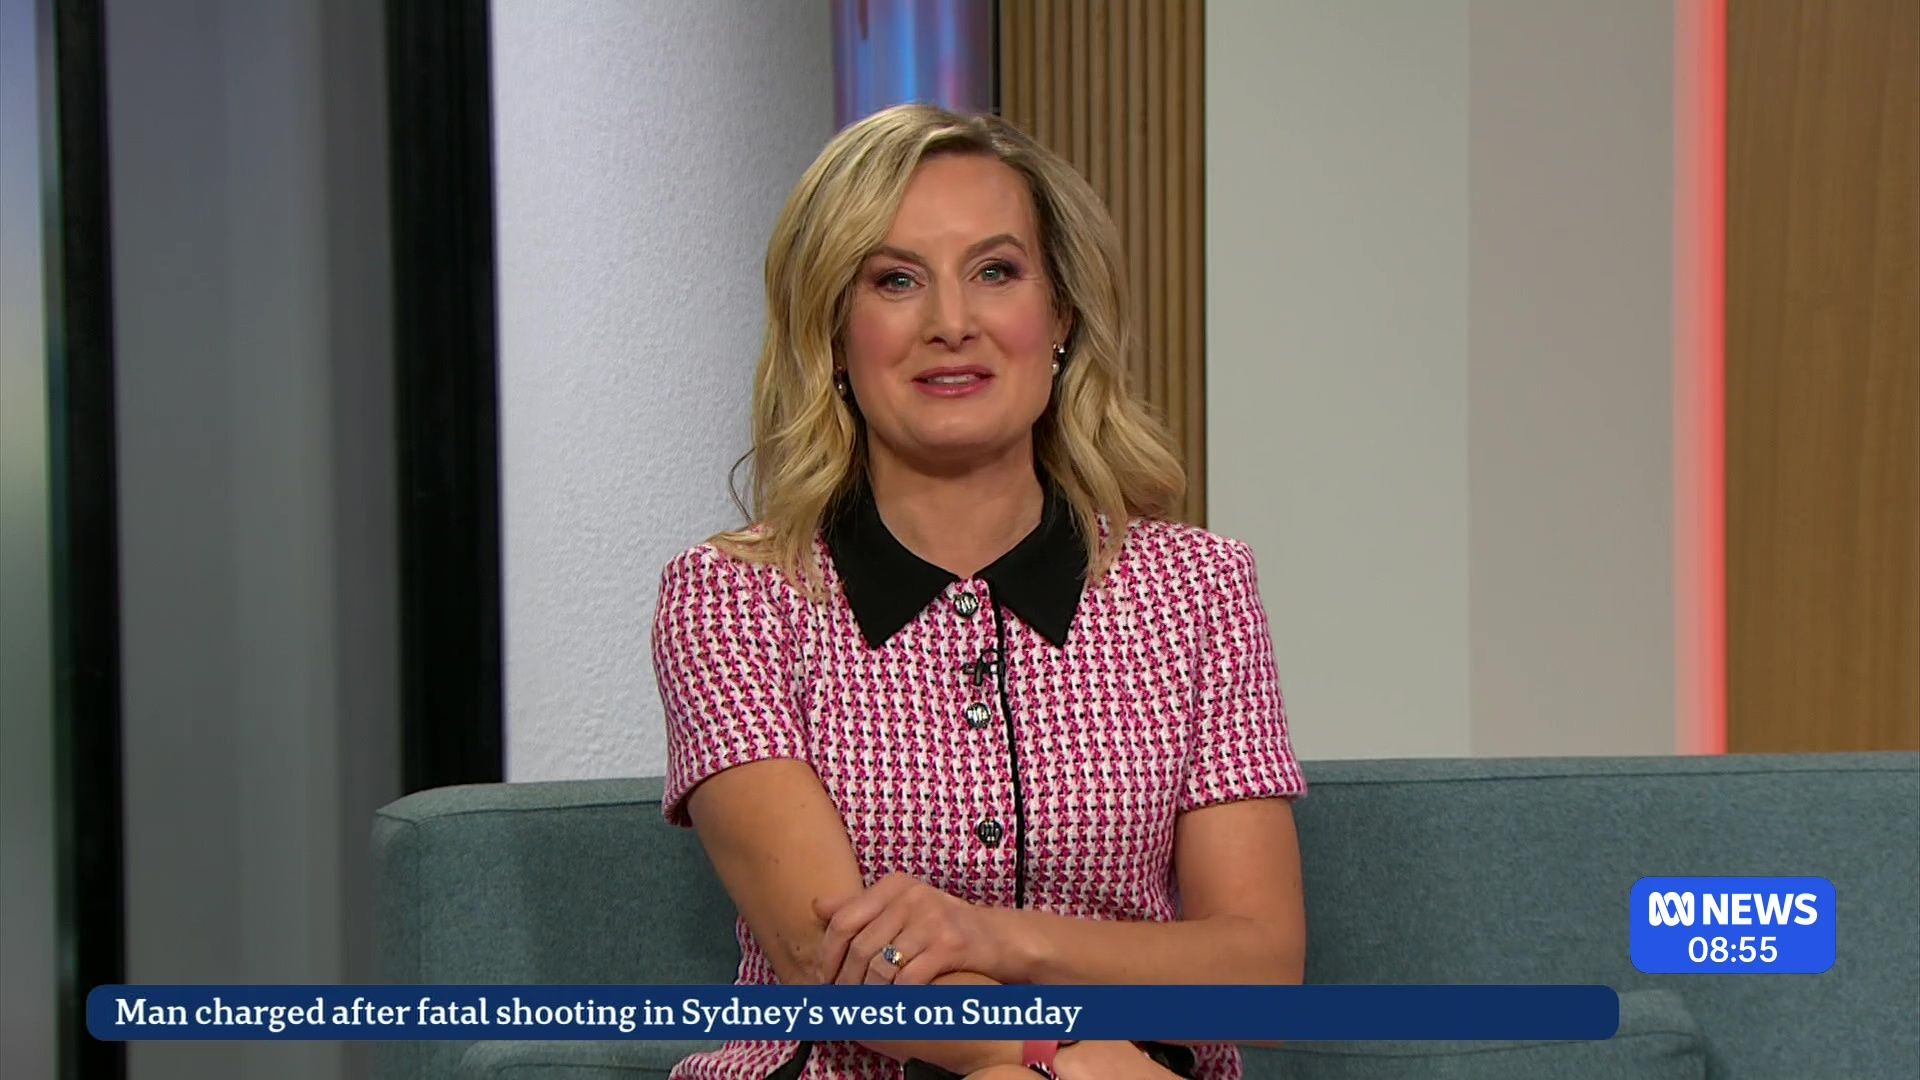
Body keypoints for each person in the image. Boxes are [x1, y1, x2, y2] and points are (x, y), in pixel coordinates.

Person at [653, 104, 1307, 1080]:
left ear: (1062, 317)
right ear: (833, 333)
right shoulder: (732, 600)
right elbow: (830, 958)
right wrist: (1058, 1052)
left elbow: (1261, 971)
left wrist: (1000, 939)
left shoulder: (1196, 590)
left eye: (995, 272)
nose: (951, 323)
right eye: (895, 280)